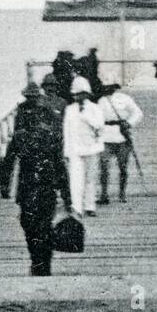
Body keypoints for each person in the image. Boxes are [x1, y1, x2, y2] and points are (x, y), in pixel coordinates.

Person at [0, 84, 73, 277]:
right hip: (45, 188)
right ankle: (43, 263)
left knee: (31, 227)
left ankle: (37, 261)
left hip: (28, 190)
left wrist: (4, 185)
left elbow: (8, 162)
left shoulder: (21, 137)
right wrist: (67, 197)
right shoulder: (50, 137)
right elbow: (61, 167)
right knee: (44, 226)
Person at [63, 77, 106, 217]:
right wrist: (66, 152)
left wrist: (85, 116)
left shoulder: (95, 108)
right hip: (75, 149)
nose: (77, 97)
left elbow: (99, 125)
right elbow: (66, 131)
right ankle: (77, 207)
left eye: (80, 94)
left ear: (86, 94)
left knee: (91, 178)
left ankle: (90, 206)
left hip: (92, 148)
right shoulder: (69, 109)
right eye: (75, 94)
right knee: (75, 179)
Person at [97, 82, 144, 205]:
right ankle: (104, 194)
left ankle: (122, 193)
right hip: (106, 136)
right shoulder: (100, 101)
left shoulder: (125, 99)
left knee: (123, 167)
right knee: (104, 167)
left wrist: (129, 123)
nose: (109, 89)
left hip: (122, 136)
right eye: (106, 87)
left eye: (111, 86)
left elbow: (137, 113)